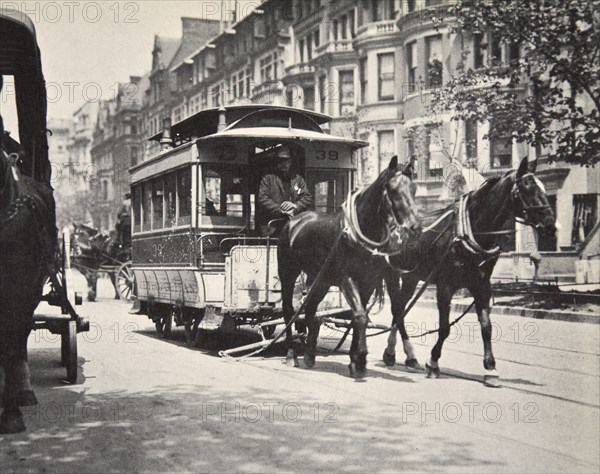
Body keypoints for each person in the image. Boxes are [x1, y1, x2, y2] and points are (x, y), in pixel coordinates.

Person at [258, 145, 312, 236]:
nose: (284, 164)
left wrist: (295, 206)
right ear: (276, 163)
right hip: (272, 228)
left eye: (286, 161)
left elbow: (307, 197)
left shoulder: (298, 179)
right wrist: (281, 210)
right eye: (280, 161)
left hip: (294, 228)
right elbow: (262, 198)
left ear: (290, 162)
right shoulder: (267, 179)